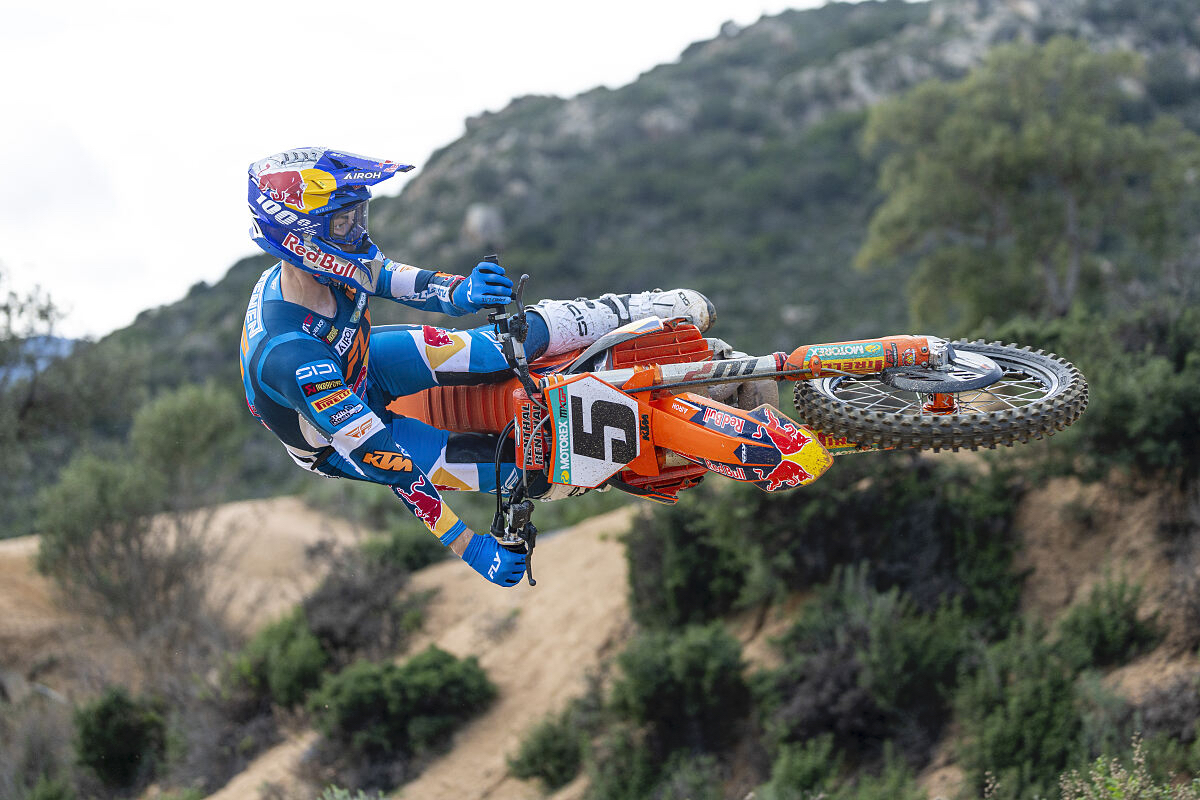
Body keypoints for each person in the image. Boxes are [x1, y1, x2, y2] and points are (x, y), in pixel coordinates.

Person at [240, 147, 715, 587]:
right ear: (299, 239)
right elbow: (392, 465)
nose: (358, 232)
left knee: (500, 346)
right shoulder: (290, 355)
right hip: (336, 440)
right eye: (342, 222)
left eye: (358, 215)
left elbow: (390, 277)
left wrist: (460, 291)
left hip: (366, 363)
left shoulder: (324, 261)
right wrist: (471, 549)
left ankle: (629, 310)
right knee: (514, 470)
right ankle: (624, 467)